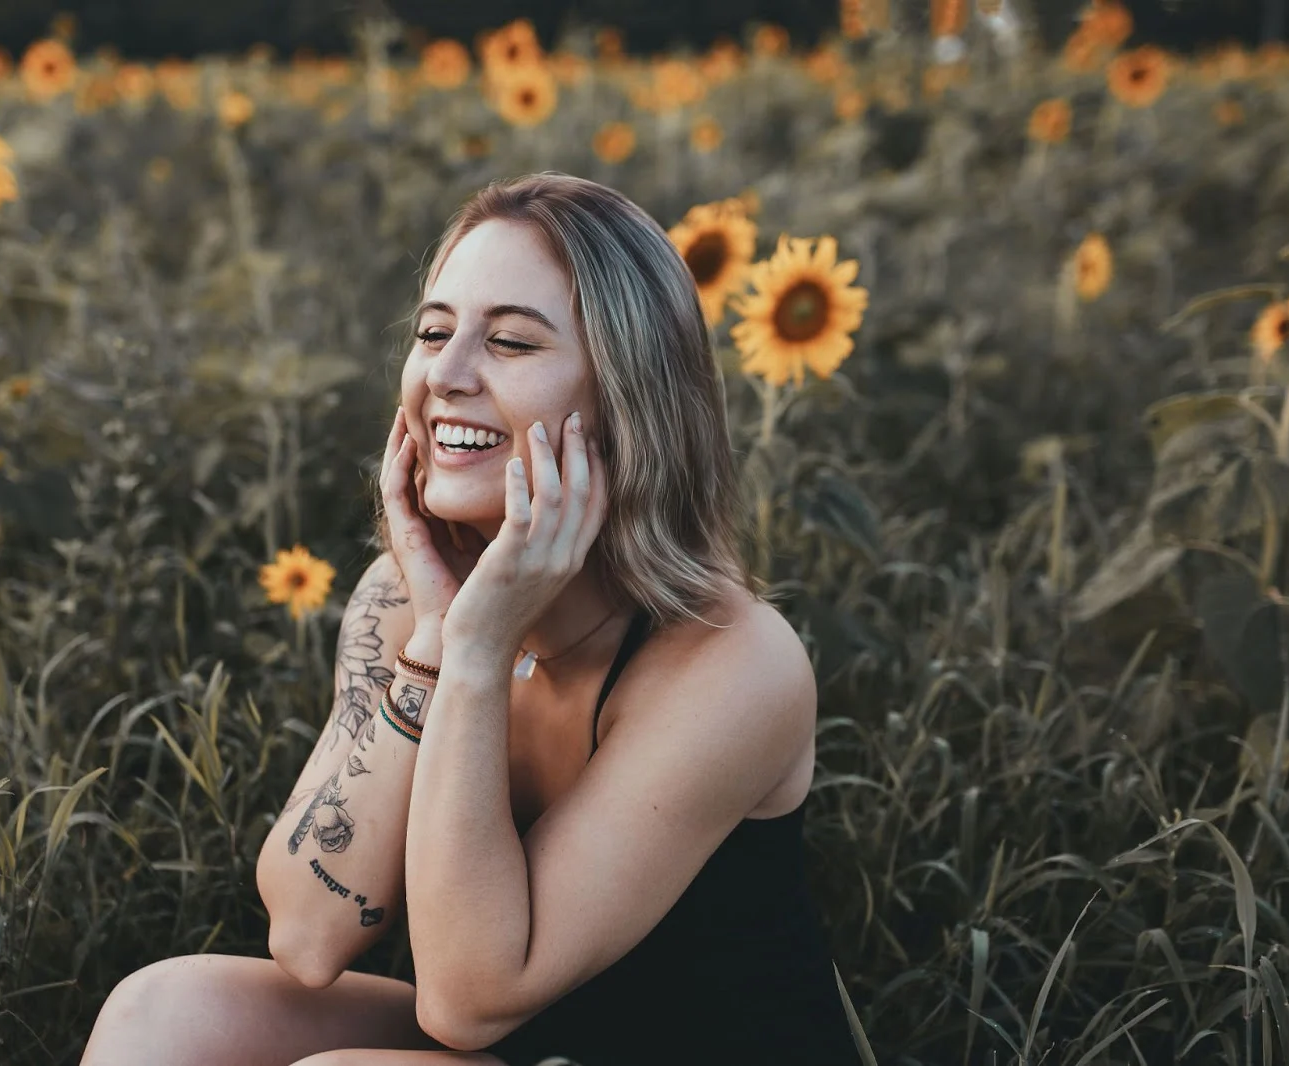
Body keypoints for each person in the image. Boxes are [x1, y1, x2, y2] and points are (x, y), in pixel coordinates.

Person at [80, 172, 861, 1066]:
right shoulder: (401, 595)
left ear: (625, 399)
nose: (446, 377)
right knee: (161, 1016)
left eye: (512, 344)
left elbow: (464, 1002)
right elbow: (306, 933)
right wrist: (431, 641)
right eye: (434, 332)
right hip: (535, 1051)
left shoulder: (732, 660)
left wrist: (479, 648)